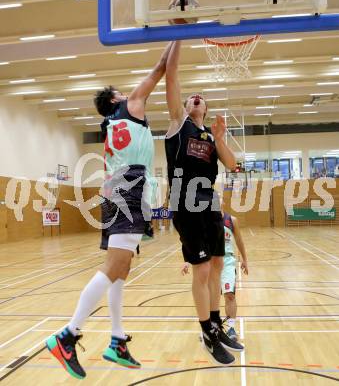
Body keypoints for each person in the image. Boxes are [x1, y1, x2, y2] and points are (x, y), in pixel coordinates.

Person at [45, 42, 173, 379]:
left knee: (121, 268)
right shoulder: (130, 106)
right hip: (127, 188)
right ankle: (67, 336)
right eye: (121, 90)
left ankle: (116, 341)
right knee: (115, 265)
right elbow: (161, 66)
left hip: (121, 188)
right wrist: (179, 30)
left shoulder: (112, 124)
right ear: (117, 99)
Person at [165, 40, 244, 366]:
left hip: (210, 204)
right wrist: (179, 36)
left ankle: (216, 324)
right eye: (191, 97)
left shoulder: (210, 139)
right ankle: (206, 333)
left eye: (201, 98)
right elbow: (171, 73)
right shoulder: (177, 124)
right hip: (186, 203)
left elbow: (232, 164)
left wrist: (221, 138)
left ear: (206, 109)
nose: (196, 97)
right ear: (185, 106)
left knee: (214, 268)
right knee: (200, 270)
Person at [181, 212, 249, 341]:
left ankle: (230, 328)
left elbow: (240, 241)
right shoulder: (204, 219)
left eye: (219, 197)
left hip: (227, 261)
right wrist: (187, 261)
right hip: (209, 261)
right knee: (210, 298)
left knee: (230, 294)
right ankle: (209, 329)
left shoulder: (231, 220)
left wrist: (245, 259)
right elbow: (195, 242)